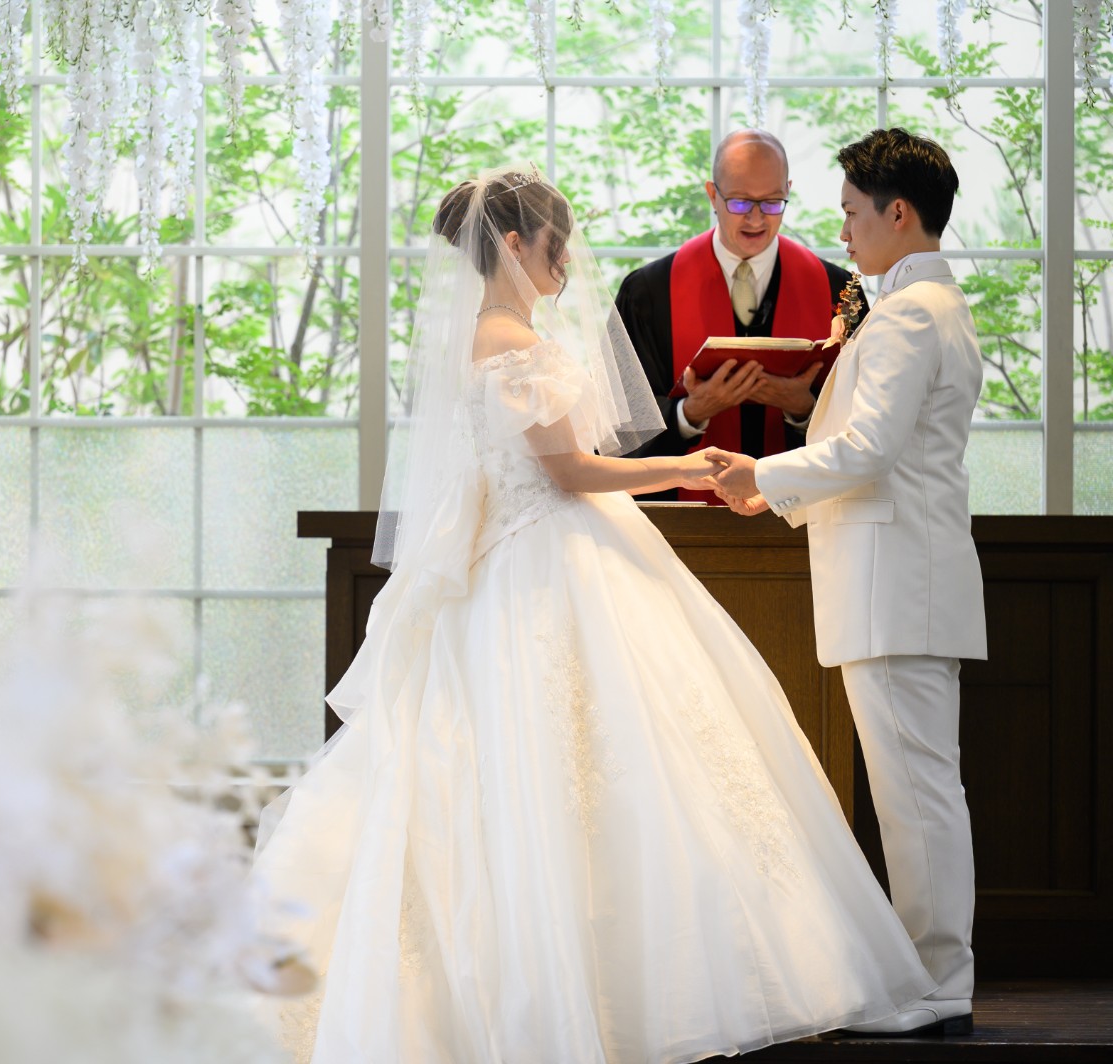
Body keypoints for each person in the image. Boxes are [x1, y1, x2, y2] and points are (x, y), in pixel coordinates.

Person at [252, 166, 935, 1064]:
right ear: (513, 244)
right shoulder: (508, 343)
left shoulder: (491, 337)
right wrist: (687, 466)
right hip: (545, 560)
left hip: (532, 552)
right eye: (554, 244)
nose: (565, 261)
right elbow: (568, 471)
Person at [710, 128, 986, 1039]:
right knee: (916, 794)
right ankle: (928, 975)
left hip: (896, 583)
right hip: (901, 580)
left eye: (852, 214)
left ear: (898, 212)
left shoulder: (910, 314)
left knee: (917, 798)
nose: (844, 232)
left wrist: (762, 475)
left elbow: (868, 448)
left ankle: (939, 983)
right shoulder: (923, 305)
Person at [614, 130, 852, 502]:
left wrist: (804, 409)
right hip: (680, 523)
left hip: (802, 521)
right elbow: (618, 423)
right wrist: (689, 414)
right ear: (713, 194)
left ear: (788, 190)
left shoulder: (838, 291)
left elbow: (867, 430)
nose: (756, 219)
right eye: (740, 202)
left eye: (772, 202)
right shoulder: (648, 293)